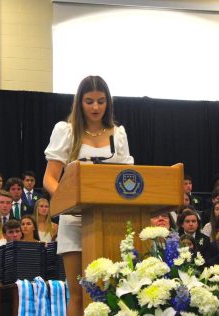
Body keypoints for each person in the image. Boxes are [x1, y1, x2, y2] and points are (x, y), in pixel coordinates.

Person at [43, 75, 134, 316]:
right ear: (79, 102)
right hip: (74, 220)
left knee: (112, 291)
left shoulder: (119, 134)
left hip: (110, 221)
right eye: (89, 101)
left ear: (108, 103)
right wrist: (69, 201)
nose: (95, 107)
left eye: (101, 101)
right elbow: (50, 178)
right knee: (79, 292)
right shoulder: (66, 130)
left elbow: (129, 178)